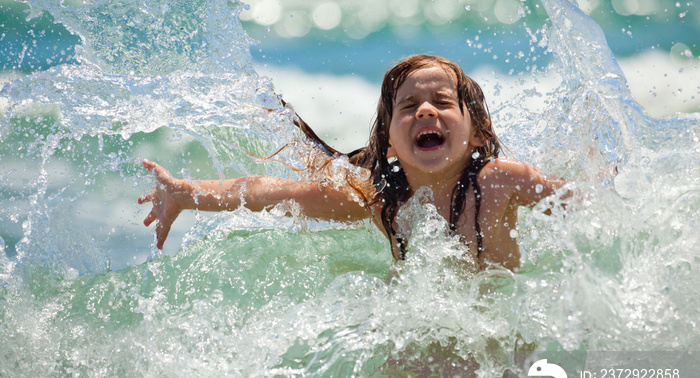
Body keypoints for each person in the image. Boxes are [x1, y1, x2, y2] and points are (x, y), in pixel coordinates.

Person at [138, 54, 566, 271]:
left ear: (478, 133)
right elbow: (274, 192)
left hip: (499, 340)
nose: (425, 112)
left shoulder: (499, 183)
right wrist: (184, 193)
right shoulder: (383, 202)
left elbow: (592, 208)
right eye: (409, 106)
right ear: (390, 143)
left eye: (442, 102)